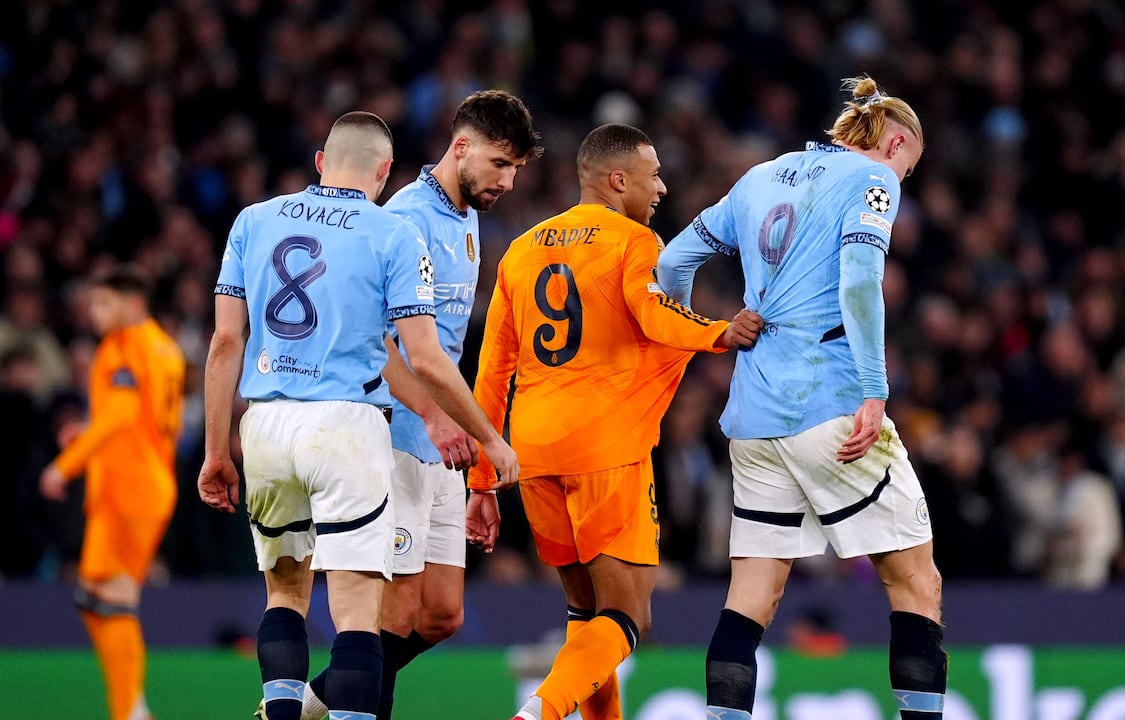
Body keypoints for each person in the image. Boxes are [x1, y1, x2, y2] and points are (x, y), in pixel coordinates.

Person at [197, 111, 519, 720]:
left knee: (285, 596)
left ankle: (282, 712)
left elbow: (223, 344)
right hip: (349, 425)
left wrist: (217, 451)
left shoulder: (253, 220)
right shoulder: (392, 230)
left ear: (319, 160)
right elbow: (419, 352)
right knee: (359, 614)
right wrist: (484, 435)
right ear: (383, 171)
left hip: (264, 422)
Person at [656, 75, 946, 720]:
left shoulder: (762, 176)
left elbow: (674, 262)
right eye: (909, 165)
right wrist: (875, 390)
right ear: (896, 141)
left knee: (751, 595)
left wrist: (706, 331)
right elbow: (862, 281)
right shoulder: (875, 181)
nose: (904, 179)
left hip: (754, 418)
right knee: (916, 582)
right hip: (832, 405)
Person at [466, 123, 763, 720]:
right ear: (618, 179)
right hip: (606, 446)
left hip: (533, 452)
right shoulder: (633, 241)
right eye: (653, 174)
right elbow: (655, 315)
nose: (662, 186)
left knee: (586, 617)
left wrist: (480, 481)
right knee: (629, 617)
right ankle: (540, 713)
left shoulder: (521, 251)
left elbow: (491, 374)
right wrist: (717, 332)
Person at [300, 90, 543, 720]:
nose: (508, 181)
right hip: (394, 433)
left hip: (437, 441)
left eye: (515, 169)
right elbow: (377, 341)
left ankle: (309, 706)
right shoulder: (406, 218)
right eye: (499, 164)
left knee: (441, 615)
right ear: (461, 147)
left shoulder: (466, 218)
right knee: (396, 611)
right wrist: (462, 427)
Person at [39, 266, 186, 720]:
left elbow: (122, 415)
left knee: (116, 598)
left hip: (131, 488)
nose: (95, 313)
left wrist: (65, 465)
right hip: (137, 481)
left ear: (133, 302)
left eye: (104, 303)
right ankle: (131, 706)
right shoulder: (164, 347)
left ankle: (128, 712)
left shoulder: (125, 346)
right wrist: (86, 430)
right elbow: (138, 417)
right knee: (93, 598)